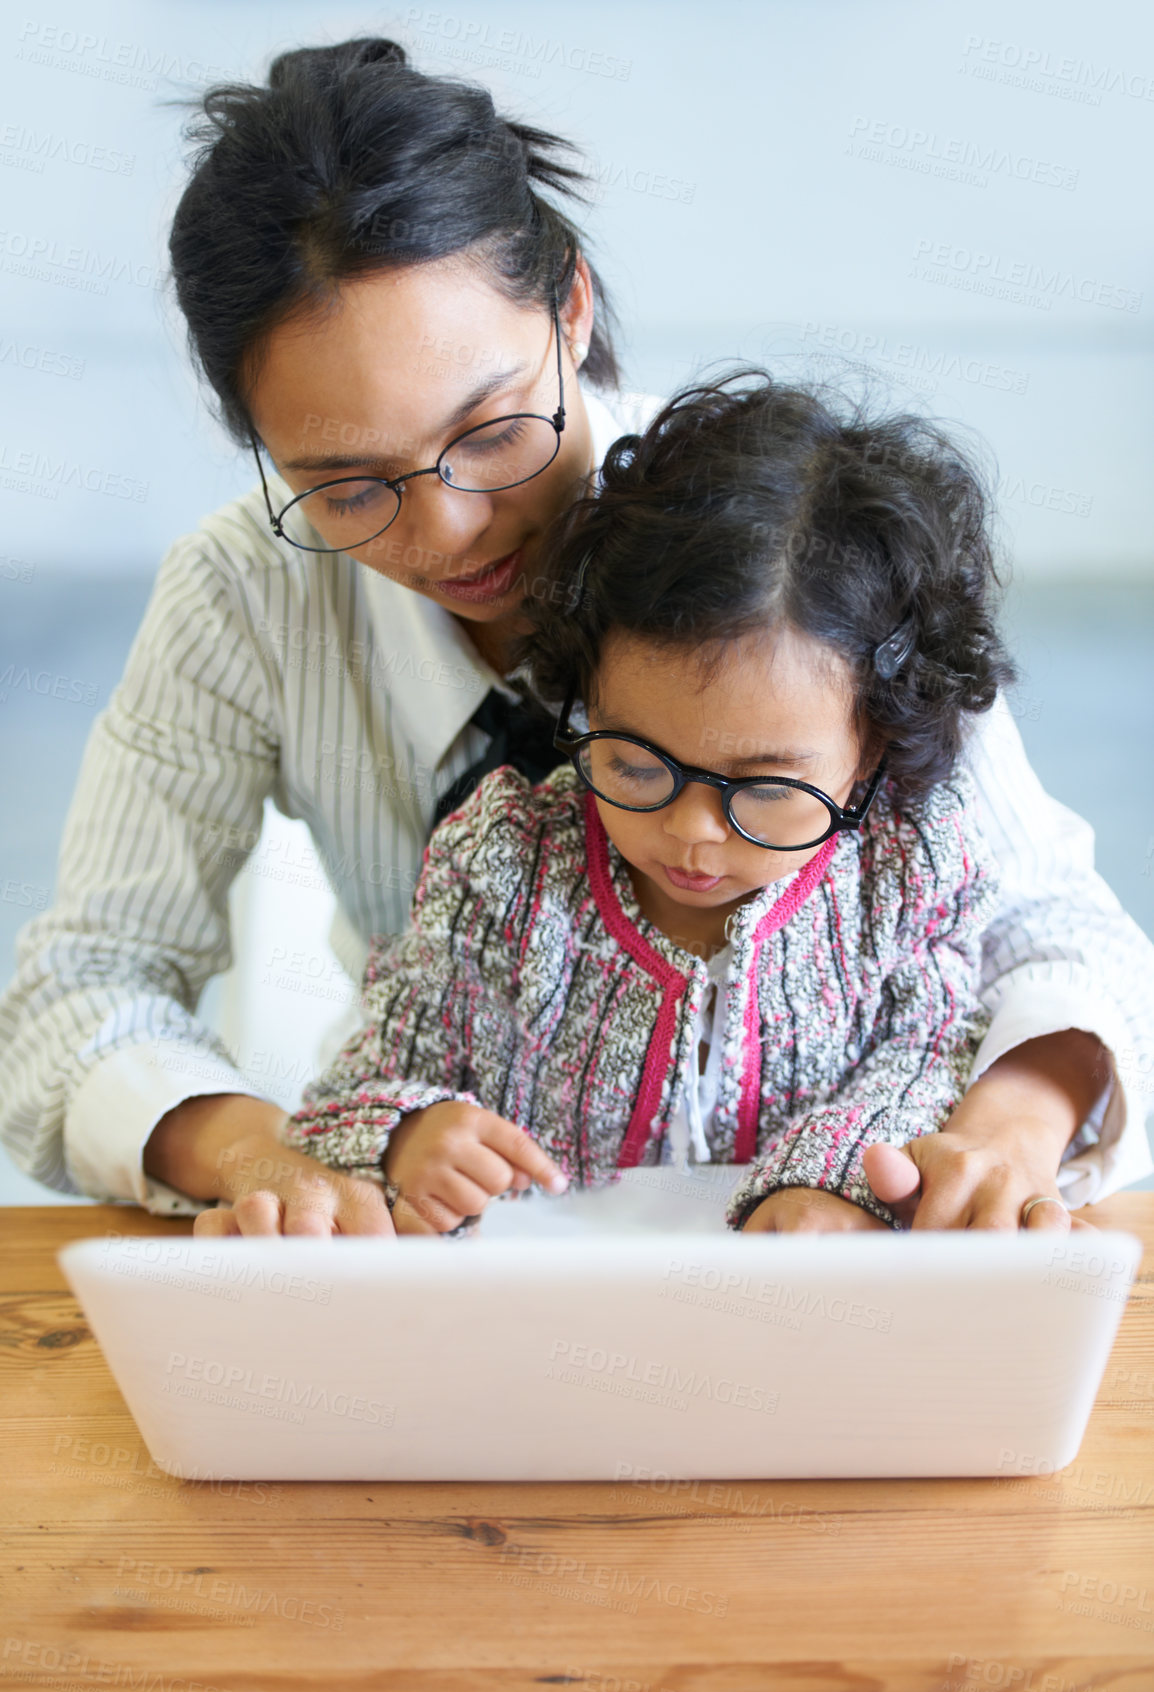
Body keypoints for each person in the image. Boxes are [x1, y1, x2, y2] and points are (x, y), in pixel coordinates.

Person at [0, 38, 1150, 1238]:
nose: (447, 532)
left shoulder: (785, 553)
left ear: (571, 302)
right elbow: (80, 990)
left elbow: (1052, 928)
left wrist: (1002, 1131)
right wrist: (258, 1151)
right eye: (345, 487)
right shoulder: (246, 594)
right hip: (485, 1242)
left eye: (490, 429)